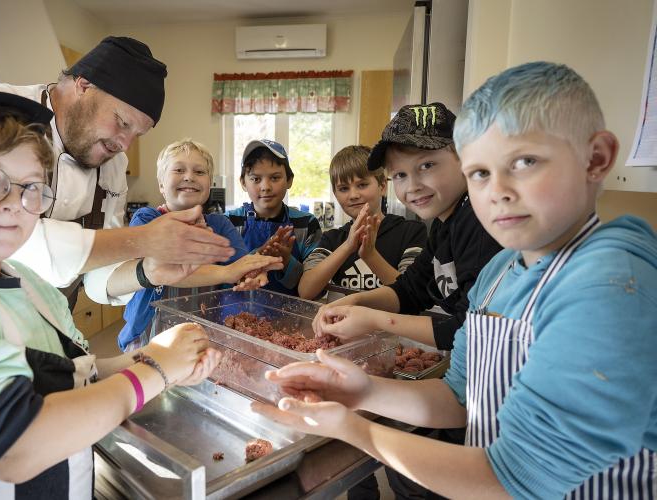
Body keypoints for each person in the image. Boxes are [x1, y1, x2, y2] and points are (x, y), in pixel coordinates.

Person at [253, 61, 657, 498]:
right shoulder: (500, 272)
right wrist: (363, 392)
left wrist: (357, 432)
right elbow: (460, 398)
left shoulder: (612, 283)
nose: (496, 191)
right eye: (480, 173)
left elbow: (516, 479)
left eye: (524, 162)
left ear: (595, 159)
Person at [0, 88, 220, 499]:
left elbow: (78, 376)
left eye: (31, 186)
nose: (14, 202)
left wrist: (154, 355)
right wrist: (155, 371)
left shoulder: (29, 284)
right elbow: (15, 444)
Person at [0, 36, 234, 308]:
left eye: (137, 135)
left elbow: (100, 276)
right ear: (83, 85)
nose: (125, 145)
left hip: (41, 320)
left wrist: (147, 270)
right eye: (121, 122)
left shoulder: (112, 164)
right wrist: (144, 239)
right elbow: (18, 244)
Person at [312, 103, 502, 350]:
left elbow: (471, 330)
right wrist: (354, 302)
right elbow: (410, 290)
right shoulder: (444, 224)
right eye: (400, 175)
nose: (412, 186)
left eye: (427, 166)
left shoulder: (479, 221)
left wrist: (377, 320)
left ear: (464, 157)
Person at [109, 138, 283, 351]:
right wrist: (227, 272)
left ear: (209, 184)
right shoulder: (146, 219)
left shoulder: (220, 224)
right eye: (179, 170)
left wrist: (252, 273)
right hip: (148, 334)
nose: (189, 177)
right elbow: (159, 270)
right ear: (161, 184)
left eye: (200, 172)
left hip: (201, 334)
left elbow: (241, 264)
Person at [298, 145, 426, 301]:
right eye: (343, 188)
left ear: (382, 186)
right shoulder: (331, 239)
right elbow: (306, 291)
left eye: (362, 185)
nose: (353, 195)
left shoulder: (410, 232)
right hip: (343, 325)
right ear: (335, 194)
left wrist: (370, 255)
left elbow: (412, 295)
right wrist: (347, 246)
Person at [226, 139, 322, 295]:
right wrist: (258, 258)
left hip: (290, 316)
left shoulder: (306, 224)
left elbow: (316, 289)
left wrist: (286, 261)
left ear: (289, 180)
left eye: (275, 178)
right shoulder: (229, 222)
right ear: (243, 182)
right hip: (232, 315)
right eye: (256, 179)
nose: (265, 187)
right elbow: (219, 279)